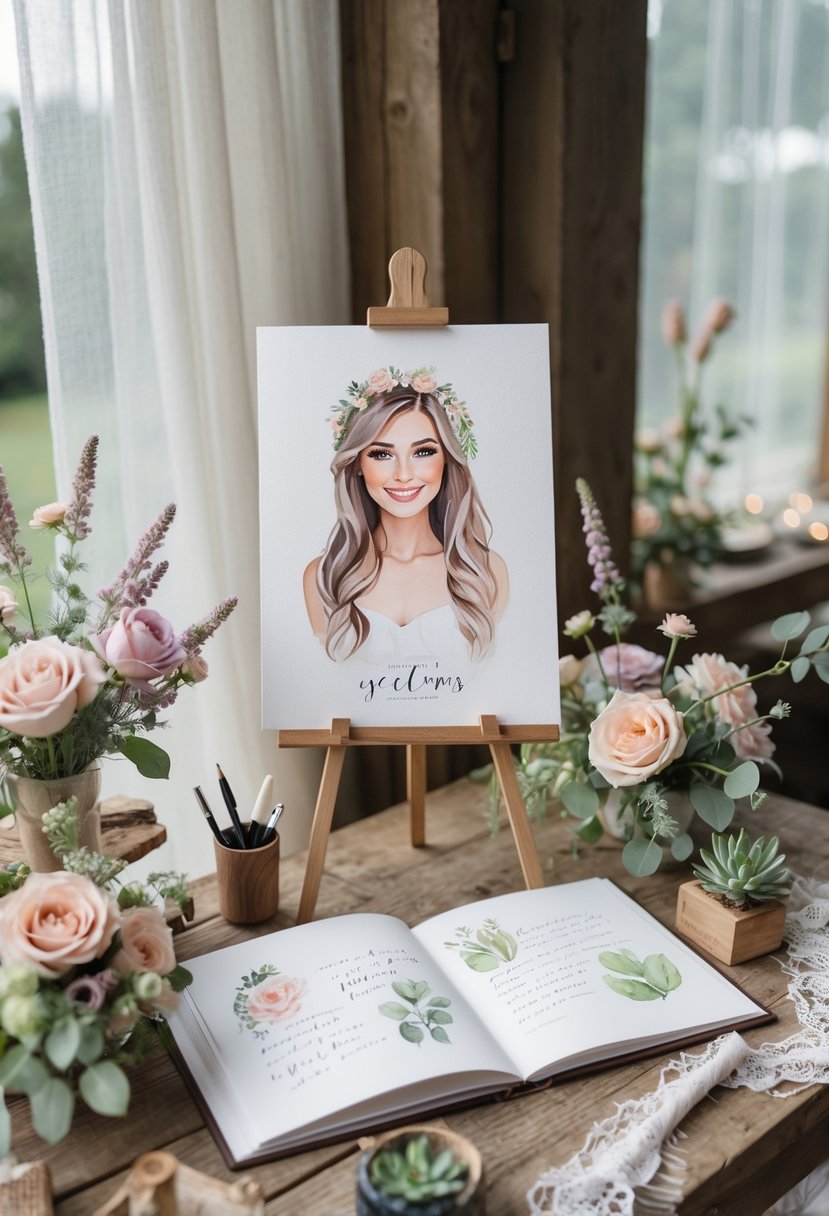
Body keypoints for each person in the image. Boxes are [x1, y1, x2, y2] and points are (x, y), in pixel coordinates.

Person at [303, 366, 508, 664]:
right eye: (381, 454)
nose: (403, 474)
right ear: (357, 463)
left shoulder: (485, 570)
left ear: (447, 459)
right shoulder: (323, 577)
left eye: (423, 452)